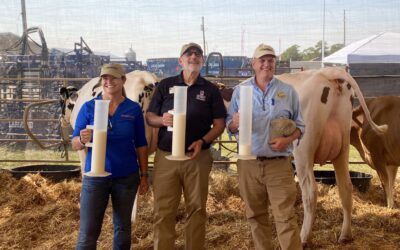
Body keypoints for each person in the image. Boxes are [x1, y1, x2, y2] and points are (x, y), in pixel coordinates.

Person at [146, 42, 226, 250]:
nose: (193, 56)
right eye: (188, 54)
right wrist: (162, 120)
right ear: (180, 60)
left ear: (202, 60)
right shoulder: (165, 85)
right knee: (163, 210)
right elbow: (149, 117)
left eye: (198, 54)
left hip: (196, 158)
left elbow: (219, 124)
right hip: (166, 157)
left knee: (197, 209)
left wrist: (203, 141)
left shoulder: (210, 90)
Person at [226, 44, 305, 250]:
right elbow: (230, 126)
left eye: (270, 60)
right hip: (248, 163)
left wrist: (287, 141)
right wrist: (234, 122)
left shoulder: (288, 91)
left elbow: (301, 127)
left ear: (275, 64)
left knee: (285, 217)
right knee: (255, 216)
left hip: (279, 164)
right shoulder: (240, 91)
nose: (266, 64)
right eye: (262, 60)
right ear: (253, 64)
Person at [72, 63, 149, 250]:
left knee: (122, 230)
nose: (109, 82)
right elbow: (75, 143)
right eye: (105, 78)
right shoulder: (89, 108)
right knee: (88, 233)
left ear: (122, 80)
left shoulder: (133, 109)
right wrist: (82, 139)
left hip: (126, 176)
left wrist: (144, 175)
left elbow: (141, 144)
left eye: (114, 77)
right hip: (95, 177)